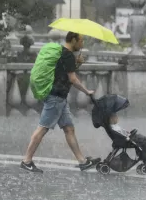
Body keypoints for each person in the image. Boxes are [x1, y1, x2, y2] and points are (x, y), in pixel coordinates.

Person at [21, 32, 101, 173]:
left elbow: (64, 73)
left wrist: (78, 64)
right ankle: (26, 161)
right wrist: (86, 91)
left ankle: (82, 162)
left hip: (60, 98)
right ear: (74, 40)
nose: (82, 44)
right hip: (55, 98)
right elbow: (73, 79)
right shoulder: (68, 55)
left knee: (69, 129)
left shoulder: (63, 53)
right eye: (81, 41)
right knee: (43, 128)